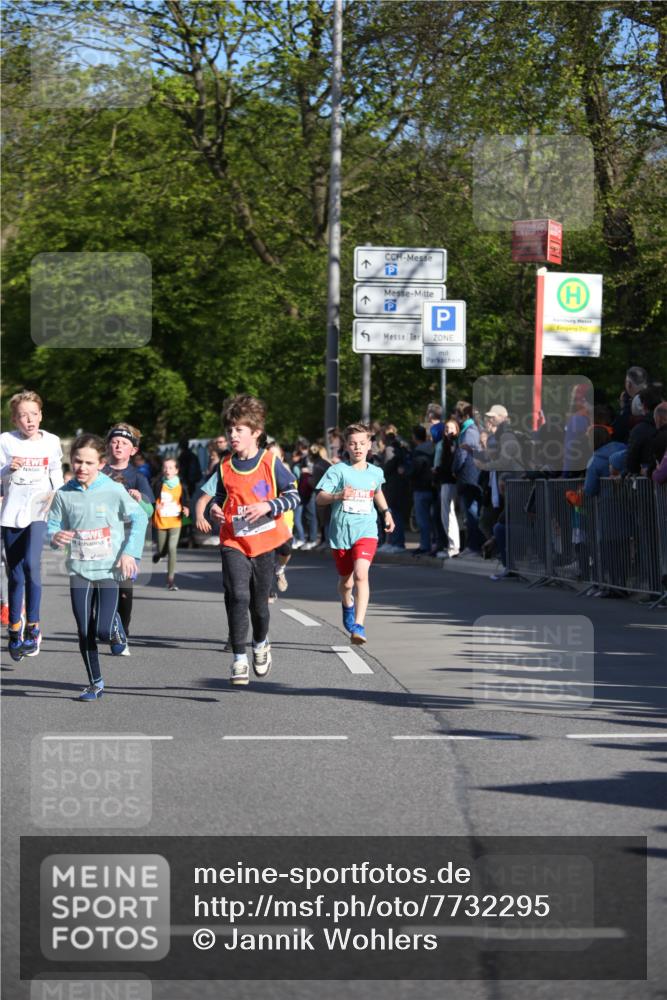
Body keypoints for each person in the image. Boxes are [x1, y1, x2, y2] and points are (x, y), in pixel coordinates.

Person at [197, 395, 299, 686]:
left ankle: (260, 642)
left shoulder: (270, 461)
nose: (232, 435)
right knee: (238, 596)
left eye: (239, 430)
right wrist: (214, 508)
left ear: (255, 432)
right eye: (229, 429)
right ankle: (239, 658)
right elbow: (219, 497)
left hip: (264, 543)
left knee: (259, 605)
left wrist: (268, 505)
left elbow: (294, 495)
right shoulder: (224, 465)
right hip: (233, 541)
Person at [47, 433, 148, 701]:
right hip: (79, 570)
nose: (82, 467)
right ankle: (95, 683)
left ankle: (114, 626)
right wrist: (55, 537)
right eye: (77, 461)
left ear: (101, 464)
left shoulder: (113, 490)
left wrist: (130, 553)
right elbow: (53, 525)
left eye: (89, 463)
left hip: (108, 570)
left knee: (103, 631)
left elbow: (140, 517)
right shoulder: (64, 494)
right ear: (71, 460)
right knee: (84, 630)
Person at [316, 422, 394, 645]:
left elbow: (376, 491)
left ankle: (358, 625)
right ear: (346, 446)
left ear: (369, 445)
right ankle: (347, 603)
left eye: (362, 443)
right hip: (341, 533)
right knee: (346, 583)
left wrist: (386, 512)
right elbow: (320, 498)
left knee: (361, 574)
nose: (358, 447)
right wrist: (338, 495)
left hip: (366, 531)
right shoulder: (338, 471)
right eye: (353, 444)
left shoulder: (376, 472)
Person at [1, 390, 64, 661]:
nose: (29, 420)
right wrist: (7, 469)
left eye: (33, 414)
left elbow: (56, 471)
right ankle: (14, 628)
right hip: (11, 513)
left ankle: (33, 627)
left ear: (41, 416)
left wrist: (57, 496)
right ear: (15, 420)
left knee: (31, 564)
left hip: (39, 510)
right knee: (15, 574)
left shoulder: (52, 441)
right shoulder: (5, 441)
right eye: (23, 416)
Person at [102, 423, 154, 650]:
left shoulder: (138, 476)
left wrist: (140, 498)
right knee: (102, 586)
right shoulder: (99, 472)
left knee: (124, 590)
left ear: (133, 450)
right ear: (108, 446)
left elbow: (149, 510)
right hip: (101, 538)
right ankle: (105, 625)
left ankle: (122, 630)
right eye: (114, 442)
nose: (118, 446)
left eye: (124, 443)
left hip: (128, 540)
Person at [152, 457, 190, 590]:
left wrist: (186, 508)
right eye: (165, 468)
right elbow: (151, 498)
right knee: (162, 550)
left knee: (172, 548)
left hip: (175, 521)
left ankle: (170, 580)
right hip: (161, 521)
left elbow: (185, 500)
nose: (167, 470)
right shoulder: (158, 484)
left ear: (176, 470)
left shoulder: (181, 485)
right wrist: (154, 505)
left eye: (170, 468)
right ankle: (159, 554)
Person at [452, 403, 484, 554]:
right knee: (475, 511)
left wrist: (454, 469)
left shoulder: (468, 431)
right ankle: (477, 545)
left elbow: (462, 455)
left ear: (465, 416)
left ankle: (473, 546)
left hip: (469, 476)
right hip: (478, 474)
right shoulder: (479, 429)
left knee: (471, 512)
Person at [433, 419, 460, 559]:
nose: (449, 431)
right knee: (448, 514)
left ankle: (453, 547)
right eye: (446, 428)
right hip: (446, 481)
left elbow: (448, 464)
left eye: (452, 428)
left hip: (450, 481)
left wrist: (437, 470)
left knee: (448, 514)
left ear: (457, 430)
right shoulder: (444, 444)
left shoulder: (454, 443)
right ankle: (453, 546)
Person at [409, 425, 436, 555]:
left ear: (414, 437)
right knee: (433, 519)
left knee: (422, 519)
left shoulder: (418, 451)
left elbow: (415, 470)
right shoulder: (433, 448)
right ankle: (435, 543)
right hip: (434, 487)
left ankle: (425, 545)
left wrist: (408, 473)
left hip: (421, 488)